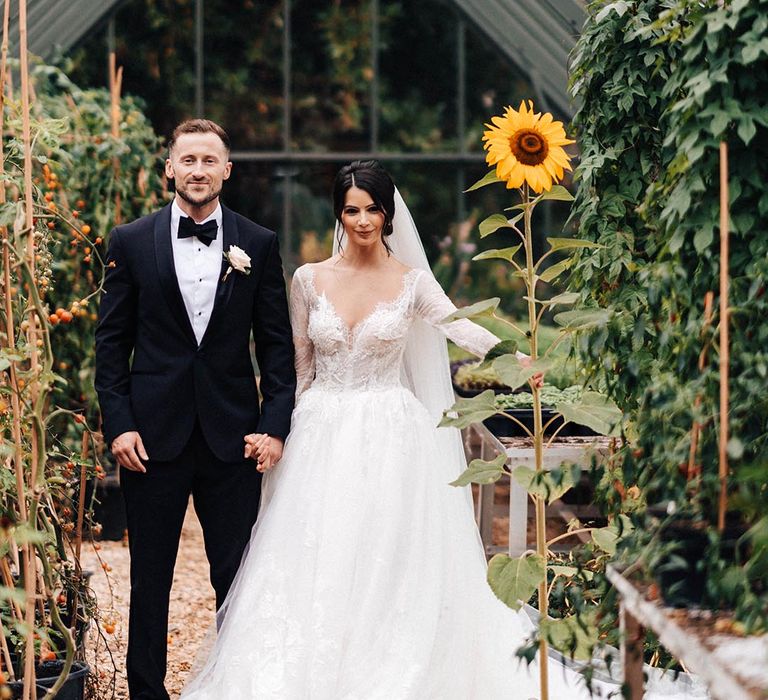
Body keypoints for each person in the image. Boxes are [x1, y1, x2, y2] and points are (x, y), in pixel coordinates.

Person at [181, 161, 703, 699]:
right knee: (313, 550)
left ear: (388, 214)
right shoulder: (309, 280)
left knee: (388, 552)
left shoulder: (411, 281)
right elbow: (298, 365)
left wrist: (515, 358)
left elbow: (457, 324)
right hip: (321, 432)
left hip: (390, 434)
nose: (363, 221)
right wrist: (278, 429)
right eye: (352, 209)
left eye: (373, 209)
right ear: (340, 213)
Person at [94, 118, 296, 700]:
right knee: (150, 578)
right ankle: (146, 692)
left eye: (210, 160)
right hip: (150, 439)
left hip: (233, 439)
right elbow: (111, 343)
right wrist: (120, 423)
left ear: (226, 171)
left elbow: (277, 347)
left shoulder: (258, 244)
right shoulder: (131, 240)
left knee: (236, 578)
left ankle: (237, 688)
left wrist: (273, 427)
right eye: (189, 160)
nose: (199, 170)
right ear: (170, 170)